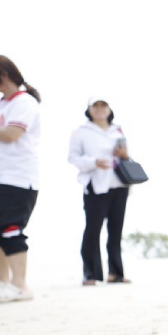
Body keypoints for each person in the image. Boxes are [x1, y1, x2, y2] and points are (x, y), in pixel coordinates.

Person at [0, 55, 42, 304]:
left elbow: (11, 134)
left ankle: (21, 286)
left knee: (11, 229)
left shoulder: (25, 103)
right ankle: (3, 281)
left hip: (17, 177)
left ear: (3, 74)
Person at [68, 98, 133, 285]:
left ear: (109, 109)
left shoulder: (118, 130)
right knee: (93, 230)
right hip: (95, 184)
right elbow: (72, 157)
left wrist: (125, 156)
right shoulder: (80, 132)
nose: (99, 109)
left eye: (103, 105)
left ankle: (116, 273)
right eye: (95, 106)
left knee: (115, 230)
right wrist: (94, 162)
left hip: (119, 185)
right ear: (89, 109)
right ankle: (91, 273)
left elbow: (126, 157)